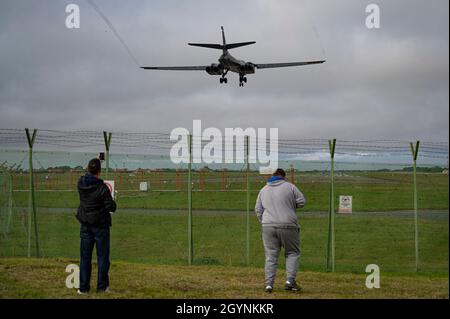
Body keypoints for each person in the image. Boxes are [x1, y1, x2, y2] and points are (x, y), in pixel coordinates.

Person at [255, 168, 306, 293]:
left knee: (271, 256)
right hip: (288, 224)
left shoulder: (263, 190)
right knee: (292, 253)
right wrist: (289, 205)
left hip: (268, 225)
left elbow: (258, 209)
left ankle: (269, 285)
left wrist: (264, 221)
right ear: (283, 176)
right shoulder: (290, 187)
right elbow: (302, 202)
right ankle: (290, 281)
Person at [76, 158, 117, 294]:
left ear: (88, 169)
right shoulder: (102, 188)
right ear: (99, 172)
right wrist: (112, 199)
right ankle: (102, 287)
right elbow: (111, 207)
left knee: (85, 257)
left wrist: (96, 161)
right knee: (102, 257)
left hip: (86, 225)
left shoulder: (80, 183)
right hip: (100, 226)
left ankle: (83, 288)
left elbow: (86, 175)